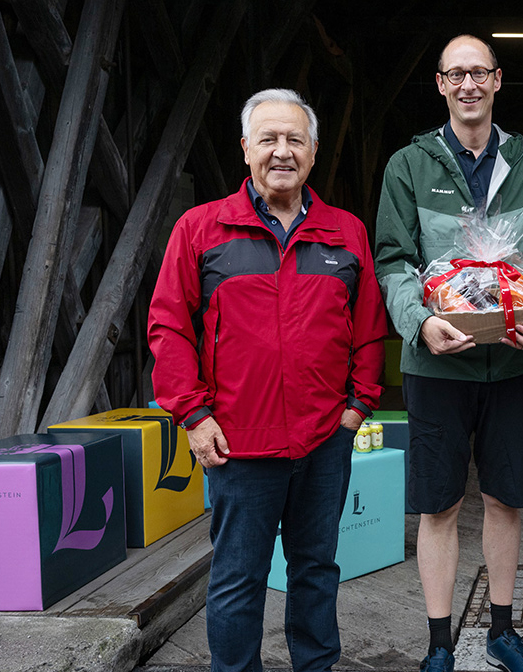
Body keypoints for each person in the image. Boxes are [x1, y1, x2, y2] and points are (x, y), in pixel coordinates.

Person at [148, 88, 387, 672]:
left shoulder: (344, 232)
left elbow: (370, 329)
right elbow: (168, 326)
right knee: (237, 578)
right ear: (246, 149)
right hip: (238, 444)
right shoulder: (202, 229)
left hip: (322, 440)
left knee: (316, 571)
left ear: (312, 152)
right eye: (269, 139)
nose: (282, 152)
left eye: (294, 140)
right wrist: (195, 417)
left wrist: (355, 408)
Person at [373, 34, 523, 672]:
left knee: (505, 498)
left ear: (498, 80)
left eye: (479, 73)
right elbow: (394, 261)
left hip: (510, 360)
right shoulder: (409, 164)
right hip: (434, 364)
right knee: (440, 503)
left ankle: (503, 633)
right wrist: (420, 323)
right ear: (440, 84)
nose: (468, 85)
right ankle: (438, 643)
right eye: (456, 74)